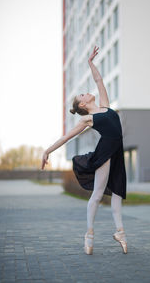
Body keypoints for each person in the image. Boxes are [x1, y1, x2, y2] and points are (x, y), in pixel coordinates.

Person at [41, 46, 127, 255]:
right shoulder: (86, 119)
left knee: (117, 194)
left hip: (117, 153)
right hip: (104, 154)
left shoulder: (105, 106)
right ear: (82, 103)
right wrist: (47, 151)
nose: (88, 92)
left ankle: (120, 233)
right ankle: (88, 236)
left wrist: (91, 63)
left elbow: (99, 81)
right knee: (97, 195)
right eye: (83, 94)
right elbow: (66, 136)